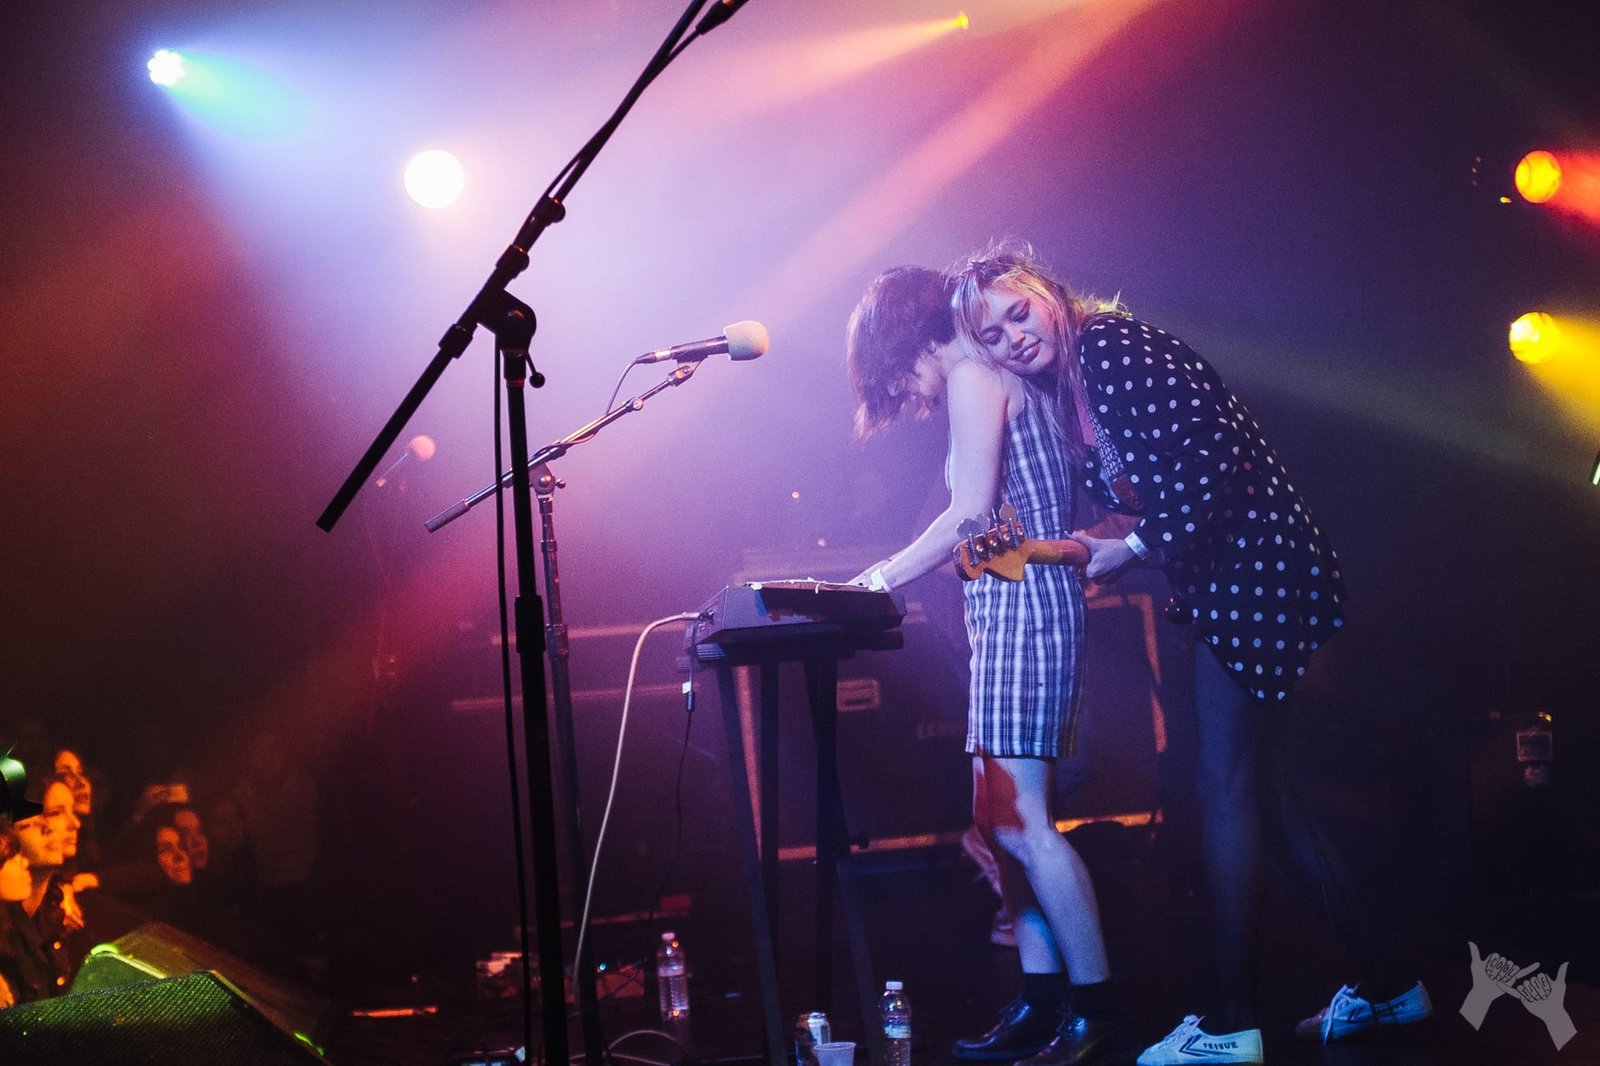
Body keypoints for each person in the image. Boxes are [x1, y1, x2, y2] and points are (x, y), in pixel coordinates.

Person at [949, 243, 1429, 1065]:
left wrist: (1130, 545)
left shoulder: (1111, 348)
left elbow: (1214, 463)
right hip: (1233, 581)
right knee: (1264, 796)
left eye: (1017, 313)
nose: (1013, 339)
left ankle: (1233, 1024)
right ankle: (1391, 987)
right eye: (992, 337)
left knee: (1224, 787)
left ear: (1045, 290)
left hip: (1256, 574)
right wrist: (1058, 546)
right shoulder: (1074, 384)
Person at [845, 265, 1129, 1066]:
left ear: (906, 347)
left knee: (1028, 825)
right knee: (1000, 823)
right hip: (1014, 602)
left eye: (901, 380)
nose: (912, 397)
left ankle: (1096, 1007)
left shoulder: (973, 372)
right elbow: (994, 527)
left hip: (1027, 607)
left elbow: (970, 516)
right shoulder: (993, 374)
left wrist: (881, 578)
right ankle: (1041, 1003)